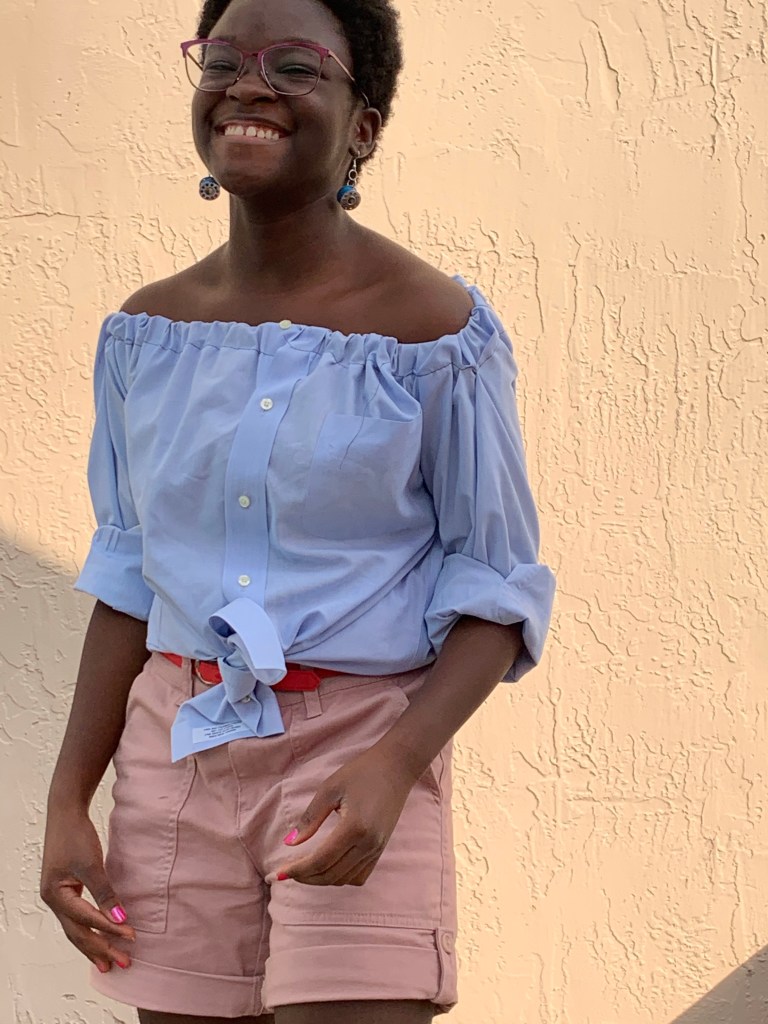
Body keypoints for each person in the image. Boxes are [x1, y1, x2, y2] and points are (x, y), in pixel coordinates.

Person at [40, 0, 557, 1021]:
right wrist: (67, 801)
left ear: (364, 123)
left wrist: (396, 765)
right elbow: (129, 580)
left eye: (294, 65)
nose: (248, 84)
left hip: (357, 752)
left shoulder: (437, 334)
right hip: (176, 754)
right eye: (223, 59)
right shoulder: (146, 334)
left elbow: (498, 591)